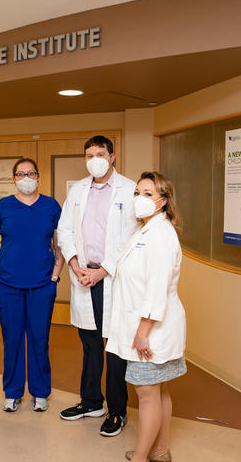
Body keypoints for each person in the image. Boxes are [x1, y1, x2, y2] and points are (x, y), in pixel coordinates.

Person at [57, 135, 140, 437]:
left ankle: (117, 411)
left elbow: (132, 238)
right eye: (89, 154)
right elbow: (64, 230)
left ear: (113, 156)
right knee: (90, 344)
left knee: (114, 348)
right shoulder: (78, 190)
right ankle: (91, 401)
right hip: (83, 276)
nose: (95, 159)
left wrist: (103, 271)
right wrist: (75, 262)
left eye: (100, 153)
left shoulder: (129, 190)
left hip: (111, 279)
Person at [106, 172, 186, 462]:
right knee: (158, 390)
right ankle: (160, 451)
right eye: (137, 192)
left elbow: (156, 288)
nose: (139, 198)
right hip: (148, 325)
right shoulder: (146, 230)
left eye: (148, 194)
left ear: (163, 201)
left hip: (151, 329)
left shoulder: (161, 236)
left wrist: (142, 332)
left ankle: (141, 457)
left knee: (147, 392)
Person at [0, 158, 64, 413]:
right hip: (7, 285)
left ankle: (40, 392)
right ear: (14, 179)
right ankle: (12, 391)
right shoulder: (3, 206)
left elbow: (60, 245)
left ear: (38, 176)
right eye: (21, 174)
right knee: (12, 339)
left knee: (39, 339)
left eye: (31, 173)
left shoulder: (51, 206)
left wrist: (54, 276)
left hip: (42, 285)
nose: (26, 178)